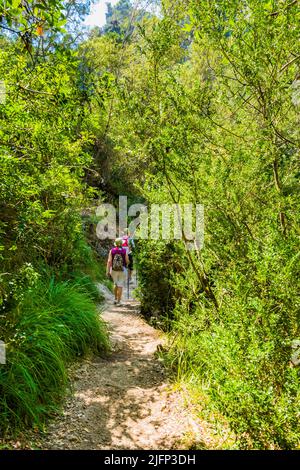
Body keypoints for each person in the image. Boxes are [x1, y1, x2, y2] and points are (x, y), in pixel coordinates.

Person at [106, 238, 129, 306]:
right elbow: (127, 261)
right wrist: (128, 263)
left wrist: (107, 271)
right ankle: (119, 301)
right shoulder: (124, 251)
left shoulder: (112, 251)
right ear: (121, 244)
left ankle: (115, 299)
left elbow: (109, 261)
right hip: (122, 270)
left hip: (113, 270)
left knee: (115, 284)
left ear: (115, 244)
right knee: (120, 285)